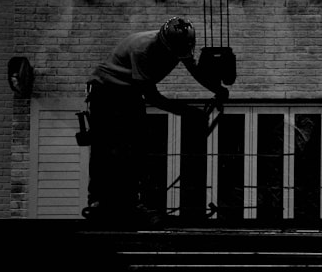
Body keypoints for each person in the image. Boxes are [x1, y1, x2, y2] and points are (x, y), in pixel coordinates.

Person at [82, 16, 229, 223]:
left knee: (137, 146)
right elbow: (152, 97)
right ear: (164, 43)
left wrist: (217, 89)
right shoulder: (142, 49)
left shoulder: (179, 45)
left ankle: (130, 203)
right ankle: (100, 203)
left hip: (130, 92)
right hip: (106, 92)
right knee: (109, 147)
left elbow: (194, 69)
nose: (179, 57)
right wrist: (187, 112)